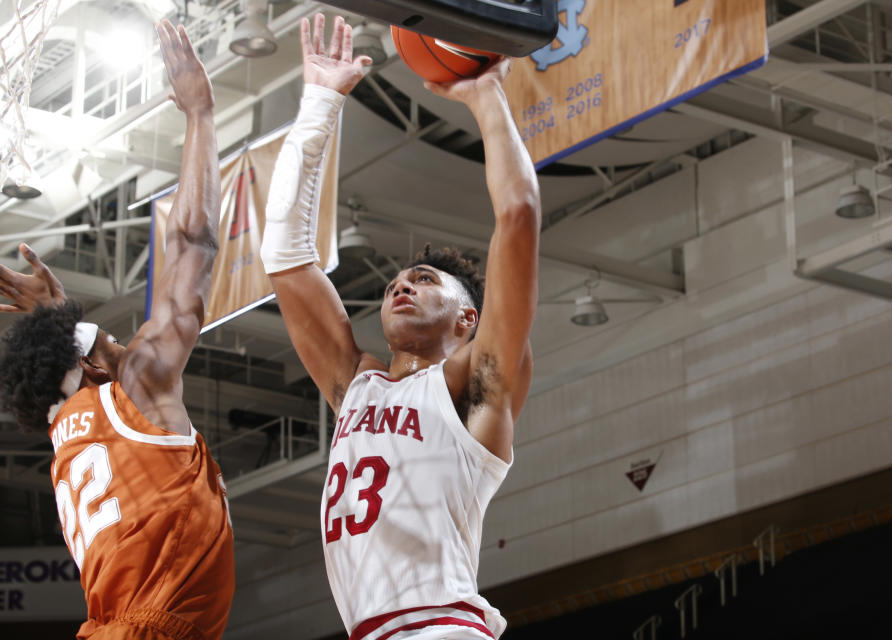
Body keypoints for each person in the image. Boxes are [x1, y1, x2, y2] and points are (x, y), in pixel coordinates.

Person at [260, 13, 540, 640]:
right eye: (395, 282)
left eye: (425, 280)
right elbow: (282, 255)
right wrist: (320, 104)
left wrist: (485, 92)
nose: (400, 285)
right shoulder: (354, 384)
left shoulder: (477, 386)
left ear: (468, 319)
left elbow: (518, 215)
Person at [0, 21, 233, 640]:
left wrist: (57, 316)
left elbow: (70, 361)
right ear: (98, 368)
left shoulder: (64, 431)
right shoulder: (136, 384)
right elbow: (192, 246)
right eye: (113, 343)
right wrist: (201, 116)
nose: (129, 344)